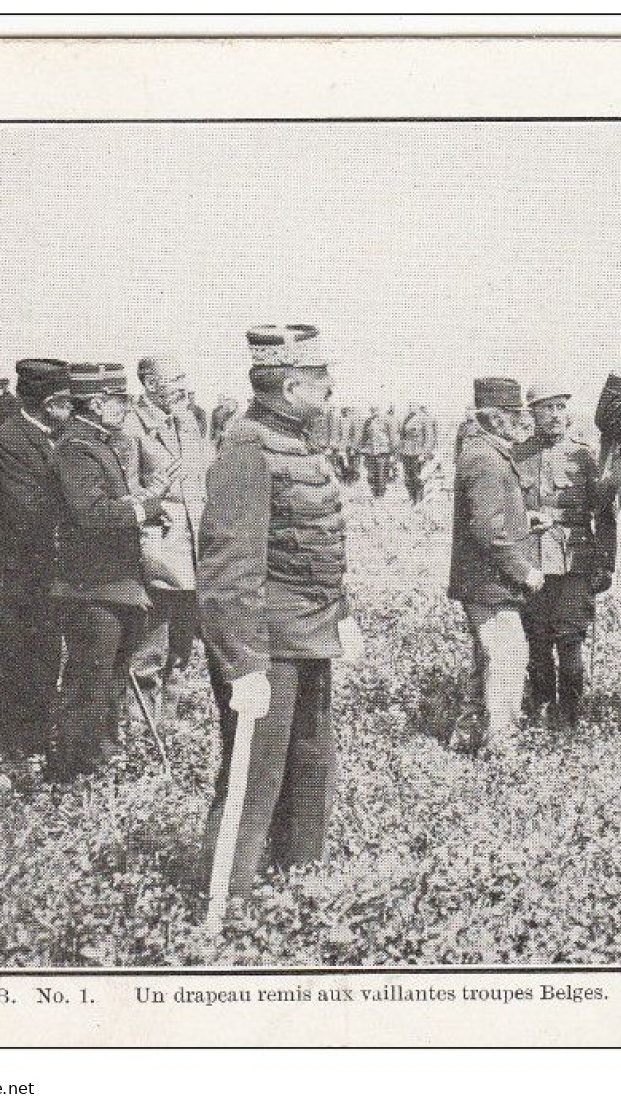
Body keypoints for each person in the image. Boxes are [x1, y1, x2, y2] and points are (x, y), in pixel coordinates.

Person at [198, 324, 363, 920]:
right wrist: (242, 663)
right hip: (268, 644)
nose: (331, 390)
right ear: (292, 386)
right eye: (322, 381)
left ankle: (301, 885)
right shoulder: (248, 447)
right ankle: (228, 900)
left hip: (309, 636)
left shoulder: (294, 440)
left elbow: (311, 543)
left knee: (311, 768)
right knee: (255, 777)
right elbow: (228, 569)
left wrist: (340, 616)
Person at [47, 362, 168, 780]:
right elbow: (91, 513)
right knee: (89, 683)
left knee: (110, 678)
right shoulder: (76, 449)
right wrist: (146, 506)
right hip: (91, 588)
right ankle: (71, 771)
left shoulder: (96, 443)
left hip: (112, 585)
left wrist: (145, 512)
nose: (125, 407)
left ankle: (99, 760)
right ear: (97, 404)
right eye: (120, 400)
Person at [0, 358, 72, 756]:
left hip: (40, 577)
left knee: (43, 662)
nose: (73, 409)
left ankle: (30, 747)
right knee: (16, 666)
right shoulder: (7, 443)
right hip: (14, 578)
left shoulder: (51, 438)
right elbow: (28, 510)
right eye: (68, 401)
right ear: (50, 402)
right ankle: (8, 755)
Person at [448, 377, 544, 754]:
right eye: (512, 414)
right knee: (507, 657)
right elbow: (487, 530)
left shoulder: (485, 452)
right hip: (488, 583)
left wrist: (525, 519)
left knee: (487, 658)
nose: (519, 421)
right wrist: (524, 571)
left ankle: (469, 735)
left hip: (483, 581)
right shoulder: (485, 459)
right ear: (493, 417)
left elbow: (493, 517)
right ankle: (500, 745)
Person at [515, 383, 617, 726]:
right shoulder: (517, 456)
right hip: (531, 562)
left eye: (560, 407)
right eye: (547, 408)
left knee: (570, 641)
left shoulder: (584, 456)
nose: (555, 415)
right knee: (537, 639)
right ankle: (544, 708)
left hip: (574, 562)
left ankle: (571, 715)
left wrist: (605, 564)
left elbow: (603, 514)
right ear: (532, 414)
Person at [123, 356, 209, 726]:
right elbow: (126, 495)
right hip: (157, 551)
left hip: (192, 552)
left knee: (181, 647)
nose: (183, 386)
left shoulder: (188, 421)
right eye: (174, 380)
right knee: (150, 647)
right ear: (150, 385)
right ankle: (141, 728)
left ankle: (169, 721)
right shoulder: (130, 427)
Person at [398, 404, 438, 503]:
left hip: (418, 453)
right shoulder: (406, 418)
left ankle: (419, 500)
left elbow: (429, 438)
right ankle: (412, 497)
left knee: (418, 477)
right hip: (406, 452)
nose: (411, 407)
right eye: (410, 405)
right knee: (407, 478)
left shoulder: (424, 418)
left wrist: (424, 454)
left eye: (413, 405)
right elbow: (402, 436)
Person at [359, 404, 395, 497]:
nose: (374, 412)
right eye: (372, 410)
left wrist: (392, 452)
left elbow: (392, 437)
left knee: (381, 473)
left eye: (376, 410)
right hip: (370, 451)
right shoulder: (367, 421)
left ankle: (380, 494)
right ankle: (374, 491)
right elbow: (364, 436)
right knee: (372, 472)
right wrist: (361, 448)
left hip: (383, 451)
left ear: (379, 410)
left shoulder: (386, 420)